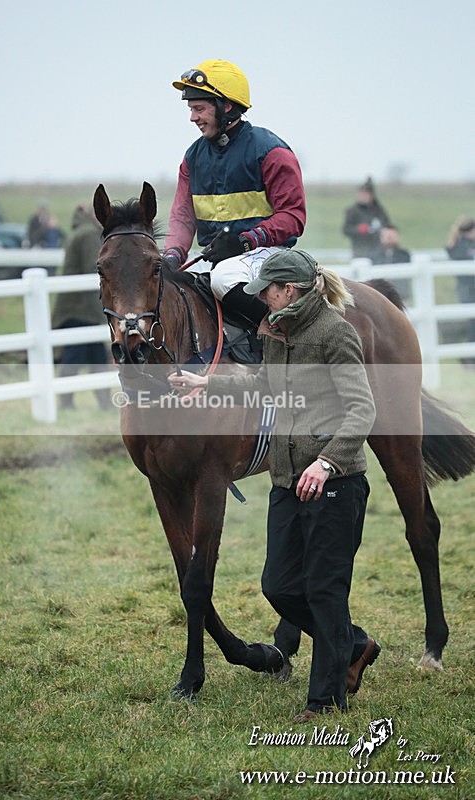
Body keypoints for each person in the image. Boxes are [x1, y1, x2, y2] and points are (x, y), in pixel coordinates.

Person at [169, 249, 379, 721]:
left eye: (267, 290)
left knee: (324, 591)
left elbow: (362, 409)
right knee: (279, 587)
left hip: (333, 483)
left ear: (290, 290)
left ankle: (324, 702)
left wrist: (326, 463)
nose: (261, 297)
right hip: (287, 481)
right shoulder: (277, 332)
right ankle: (354, 645)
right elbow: (264, 385)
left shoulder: (335, 333)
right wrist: (207, 384)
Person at [162, 59, 306, 326]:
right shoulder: (192, 157)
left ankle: (279, 332)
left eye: (199, 109)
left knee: (223, 278)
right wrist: (171, 257)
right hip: (215, 256)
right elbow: (183, 219)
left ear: (226, 106)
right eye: (191, 109)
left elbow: (293, 217)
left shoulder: (271, 151)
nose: (193, 117)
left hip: (266, 253)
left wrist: (245, 241)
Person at [51, 204, 110, 410]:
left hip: (79, 307)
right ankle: (67, 402)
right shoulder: (89, 234)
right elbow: (93, 269)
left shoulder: (82, 231)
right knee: (77, 357)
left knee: (95, 356)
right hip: (81, 309)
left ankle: (101, 402)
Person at [446, 216, 475, 366]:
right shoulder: (461, 246)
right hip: (468, 290)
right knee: (472, 323)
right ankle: (468, 356)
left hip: (468, 289)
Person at [342, 177, 392, 258]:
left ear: (371, 195)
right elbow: (346, 229)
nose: (363, 196)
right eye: (361, 194)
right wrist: (359, 229)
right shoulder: (352, 211)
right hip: (360, 251)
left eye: (366, 194)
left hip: (378, 251)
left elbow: (387, 226)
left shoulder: (379, 210)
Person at [370, 225, 412, 302]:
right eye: (387, 237)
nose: (389, 239)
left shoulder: (404, 254)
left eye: (392, 236)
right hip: (381, 295)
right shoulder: (375, 256)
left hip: (401, 294)